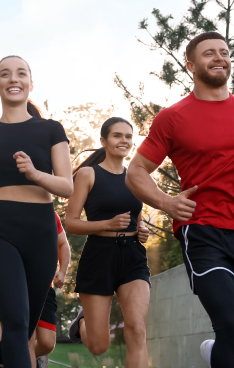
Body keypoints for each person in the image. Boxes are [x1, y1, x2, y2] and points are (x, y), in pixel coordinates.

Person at [124, 32, 234, 368]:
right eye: (209, 53)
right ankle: (224, 348)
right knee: (229, 321)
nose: (219, 57)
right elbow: (136, 172)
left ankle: (217, 353)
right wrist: (166, 203)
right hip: (203, 231)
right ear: (190, 65)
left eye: (224, 52)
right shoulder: (173, 117)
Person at [0, 55, 73, 368]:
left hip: (40, 231)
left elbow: (66, 186)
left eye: (21, 73)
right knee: (14, 321)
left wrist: (36, 174)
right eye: (5, 74)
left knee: (24, 328)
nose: (14, 79)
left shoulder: (51, 130)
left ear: (30, 84)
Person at [64, 117, 152, 367]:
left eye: (128, 136)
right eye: (117, 135)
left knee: (136, 329)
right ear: (103, 141)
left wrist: (142, 228)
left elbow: (137, 214)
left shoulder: (136, 176)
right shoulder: (88, 174)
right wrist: (106, 224)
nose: (123, 140)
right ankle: (83, 322)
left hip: (133, 256)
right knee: (98, 345)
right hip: (99, 256)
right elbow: (71, 222)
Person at [0, 210, 70, 367]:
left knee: (43, 343)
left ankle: (12, 358)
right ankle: (10, 358)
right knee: (3, 338)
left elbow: (62, 243)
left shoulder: (47, 213)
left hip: (33, 281)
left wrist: (62, 271)